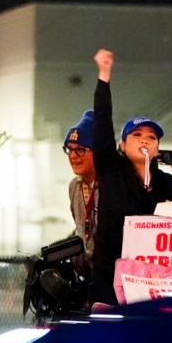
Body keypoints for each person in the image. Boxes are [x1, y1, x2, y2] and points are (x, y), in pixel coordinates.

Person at [88, 49, 172, 307]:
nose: (145, 138)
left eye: (152, 137)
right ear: (122, 145)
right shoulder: (110, 169)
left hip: (154, 287)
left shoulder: (167, 182)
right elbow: (101, 121)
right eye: (136, 134)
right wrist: (104, 75)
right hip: (110, 282)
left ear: (157, 148)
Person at [64, 110, 98, 278]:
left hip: (110, 277)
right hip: (85, 275)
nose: (73, 156)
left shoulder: (113, 186)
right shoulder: (74, 186)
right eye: (69, 150)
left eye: (80, 150)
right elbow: (81, 230)